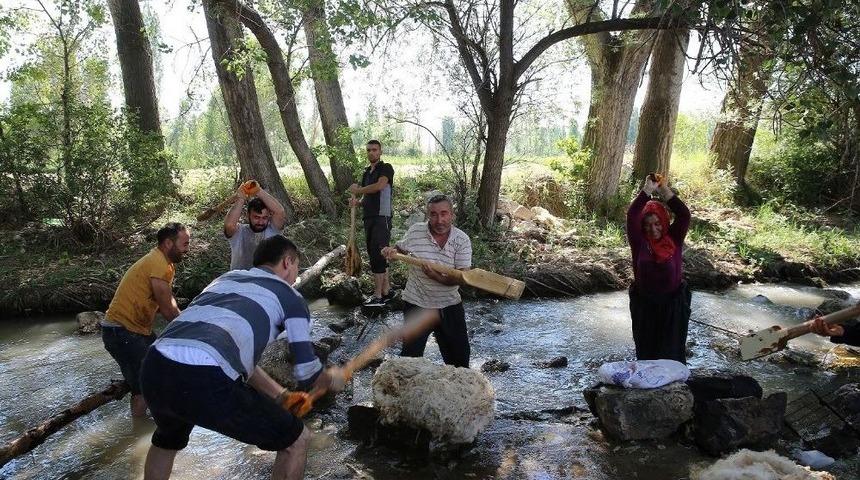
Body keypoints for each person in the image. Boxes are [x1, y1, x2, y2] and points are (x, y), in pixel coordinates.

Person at [140, 235, 345, 480]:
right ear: (288, 262)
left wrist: (281, 395)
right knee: (296, 440)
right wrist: (331, 378)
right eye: (296, 268)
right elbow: (306, 371)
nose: (294, 277)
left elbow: (236, 359)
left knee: (167, 440)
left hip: (154, 365)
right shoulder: (291, 298)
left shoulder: (225, 279)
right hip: (203, 374)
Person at [102, 222, 189, 417]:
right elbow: (168, 310)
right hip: (121, 332)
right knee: (144, 386)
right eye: (184, 244)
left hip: (134, 331)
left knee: (161, 365)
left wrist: (185, 320)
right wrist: (191, 329)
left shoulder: (163, 263)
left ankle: (149, 424)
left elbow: (167, 300)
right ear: (168, 243)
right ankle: (139, 430)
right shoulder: (158, 264)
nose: (187, 249)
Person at [382, 194, 472, 367]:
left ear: (452, 214)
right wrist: (391, 252)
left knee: (460, 363)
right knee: (410, 361)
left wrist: (435, 276)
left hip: (449, 305)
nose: (439, 220)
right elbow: (399, 249)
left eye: (444, 213)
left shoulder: (462, 240)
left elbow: (461, 278)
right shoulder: (416, 231)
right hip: (417, 303)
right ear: (427, 215)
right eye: (434, 214)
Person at [626, 175, 691, 364]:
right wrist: (647, 190)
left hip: (673, 304)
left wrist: (664, 191)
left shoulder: (675, 237)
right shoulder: (639, 242)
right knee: (647, 353)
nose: (652, 229)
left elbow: (684, 214)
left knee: (671, 354)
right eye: (646, 225)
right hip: (644, 305)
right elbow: (632, 215)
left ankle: (676, 389)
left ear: (664, 222)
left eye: (656, 224)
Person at [349, 140, 394, 306]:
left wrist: (357, 190)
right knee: (375, 252)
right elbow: (367, 196)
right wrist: (358, 202)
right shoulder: (366, 171)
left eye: (374, 150)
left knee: (378, 253)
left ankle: (377, 295)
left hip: (382, 216)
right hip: (368, 217)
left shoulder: (386, 168)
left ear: (380, 151)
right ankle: (386, 290)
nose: (371, 153)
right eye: (368, 150)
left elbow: (379, 186)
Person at [225, 180, 287, 270]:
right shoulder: (239, 232)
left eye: (264, 218)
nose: (261, 222)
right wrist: (241, 199)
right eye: (256, 217)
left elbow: (280, 212)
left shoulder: (273, 230)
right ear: (248, 215)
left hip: (266, 280)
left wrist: (258, 191)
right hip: (240, 280)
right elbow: (229, 225)